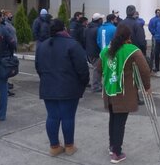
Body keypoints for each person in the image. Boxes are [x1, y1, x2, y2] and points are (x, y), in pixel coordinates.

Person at [35, 19, 89, 157]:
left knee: (52, 117)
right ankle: (69, 146)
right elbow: (82, 69)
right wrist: (83, 83)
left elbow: (38, 67)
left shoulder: (42, 45)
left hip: (48, 86)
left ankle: (54, 146)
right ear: (64, 28)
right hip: (69, 87)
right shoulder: (72, 44)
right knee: (68, 117)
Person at [99, 24, 151, 163]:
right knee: (120, 122)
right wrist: (147, 86)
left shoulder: (106, 50)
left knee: (113, 119)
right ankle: (116, 152)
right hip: (123, 92)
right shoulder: (132, 50)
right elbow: (145, 70)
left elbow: (98, 67)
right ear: (129, 36)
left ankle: (112, 146)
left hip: (109, 90)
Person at [85, 13, 104, 92]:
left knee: (96, 68)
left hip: (89, 51)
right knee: (97, 69)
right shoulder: (98, 29)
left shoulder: (87, 28)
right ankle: (96, 86)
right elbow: (99, 41)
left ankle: (97, 84)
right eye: (101, 19)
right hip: (95, 52)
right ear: (99, 20)